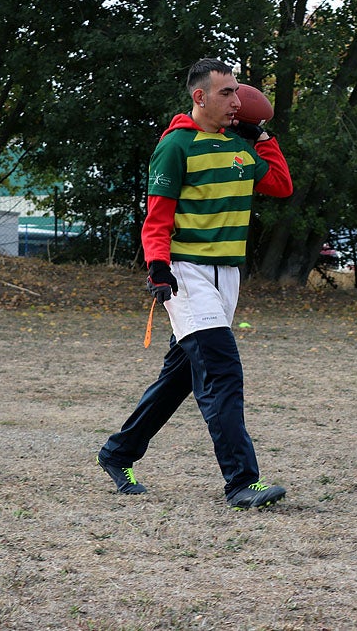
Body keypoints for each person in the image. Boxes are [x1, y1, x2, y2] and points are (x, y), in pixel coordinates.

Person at [98, 58, 293, 510]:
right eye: (227, 93)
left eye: (239, 92)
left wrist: (262, 138)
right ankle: (242, 482)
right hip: (187, 274)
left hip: (227, 277)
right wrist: (158, 267)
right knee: (222, 373)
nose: (237, 100)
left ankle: (118, 452)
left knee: (180, 376)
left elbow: (281, 185)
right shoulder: (175, 146)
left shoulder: (238, 149)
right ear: (199, 97)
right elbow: (157, 217)